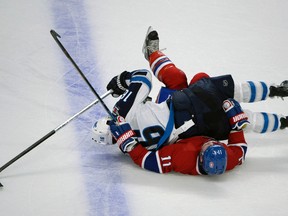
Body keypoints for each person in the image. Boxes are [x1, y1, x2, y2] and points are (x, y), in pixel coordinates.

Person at [103, 27, 288, 151]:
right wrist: (122, 81)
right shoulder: (122, 112)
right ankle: (277, 90)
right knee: (229, 91)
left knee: (243, 119)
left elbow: (147, 157)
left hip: (183, 124)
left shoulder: (129, 146)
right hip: (185, 109)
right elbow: (142, 78)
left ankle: (284, 121)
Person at [109, 98, 248, 175]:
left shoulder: (182, 157)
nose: (211, 143)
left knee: (176, 81)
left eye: (207, 147)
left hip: (174, 132)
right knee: (201, 78)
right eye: (215, 144)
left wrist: (129, 144)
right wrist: (237, 125)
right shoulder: (228, 159)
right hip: (199, 129)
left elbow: (148, 161)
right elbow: (241, 150)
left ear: (200, 158)